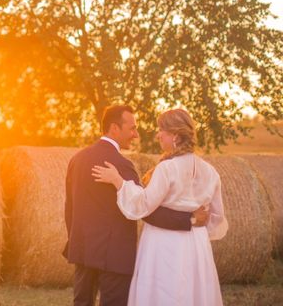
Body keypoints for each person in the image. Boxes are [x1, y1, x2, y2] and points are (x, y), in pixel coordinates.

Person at [63, 104, 209, 306]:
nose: (136, 134)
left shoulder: (77, 160)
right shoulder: (122, 165)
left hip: (82, 251)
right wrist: (189, 219)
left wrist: (77, 241)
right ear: (114, 128)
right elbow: (146, 211)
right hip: (114, 256)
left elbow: (69, 208)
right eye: (131, 128)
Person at [92, 108, 228, 305]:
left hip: (164, 244)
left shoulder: (167, 168)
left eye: (161, 130)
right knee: (193, 293)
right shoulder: (211, 172)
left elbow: (142, 206)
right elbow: (216, 219)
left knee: (164, 292)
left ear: (175, 135)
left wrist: (118, 182)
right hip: (197, 246)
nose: (158, 134)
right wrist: (192, 220)